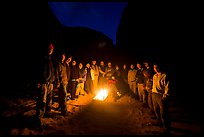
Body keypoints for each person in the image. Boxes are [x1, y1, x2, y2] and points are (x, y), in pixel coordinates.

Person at [35, 43, 56, 125]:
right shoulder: (42, 58)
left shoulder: (51, 59)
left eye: (51, 49)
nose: (50, 50)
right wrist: (38, 81)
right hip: (43, 82)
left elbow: (52, 71)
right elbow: (38, 70)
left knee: (48, 100)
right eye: (49, 48)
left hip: (50, 82)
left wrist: (53, 80)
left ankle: (47, 113)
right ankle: (38, 118)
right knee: (42, 100)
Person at [152, 63, 171, 133]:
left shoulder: (165, 76)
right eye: (154, 67)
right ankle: (158, 121)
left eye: (157, 67)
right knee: (156, 109)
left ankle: (166, 128)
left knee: (164, 113)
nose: (155, 69)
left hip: (161, 95)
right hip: (154, 94)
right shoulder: (154, 76)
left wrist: (165, 96)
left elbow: (167, 87)